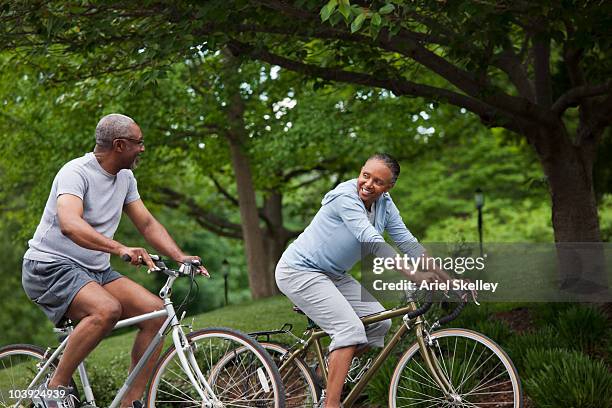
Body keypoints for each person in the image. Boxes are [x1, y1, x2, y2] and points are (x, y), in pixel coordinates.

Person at [22, 113, 208, 408]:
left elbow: (146, 224)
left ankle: (131, 402)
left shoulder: (125, 177)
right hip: (49, 267)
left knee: (157, 314)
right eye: (139, 142)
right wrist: (119, 247)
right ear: (119, 145)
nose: (143, 148)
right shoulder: (75, 173)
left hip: (94, 270)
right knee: (106, 309)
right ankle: (54, 388)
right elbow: (70, 223)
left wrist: (180, 256)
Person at [275, 153, 452, 408]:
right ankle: (331, 404)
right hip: (300, 271)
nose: (368, 184)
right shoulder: (345, 196)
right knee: (350, 330)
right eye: (365, 176)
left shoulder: (385, 205)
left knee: (379, 325)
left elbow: (408, 243)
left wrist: (447, 279)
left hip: (334, 275)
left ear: (389, 187)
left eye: (378, 182)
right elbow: (372, 241)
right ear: (360, 172)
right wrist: (414, 275)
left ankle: (326, 367)